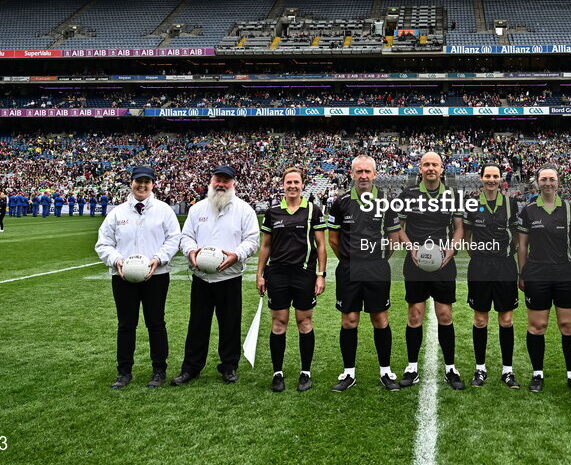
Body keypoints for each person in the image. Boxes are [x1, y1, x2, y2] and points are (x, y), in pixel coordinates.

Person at [172, 165, 260, 386]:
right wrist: (191, 252)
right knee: (197, 324)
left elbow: (252, 240)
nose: (221, 184)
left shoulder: (244, 210)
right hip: (201, 278)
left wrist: (236, 255)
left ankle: (229, 367)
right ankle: (191, 368)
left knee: (230, 325)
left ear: (233, 184)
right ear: (211, 181)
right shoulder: (197, 209)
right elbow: (186, 237)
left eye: (226, 181)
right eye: (217, 180)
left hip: (229, 277)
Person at [95, 166, 181, 389]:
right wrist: (116, 260)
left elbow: (173, 239)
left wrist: (158, 259)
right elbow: (103, 243)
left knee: (156, 323)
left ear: (153, 184)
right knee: (126, 324)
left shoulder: (164, 210)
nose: (142, 186)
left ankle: (159, 371)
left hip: (157, 275)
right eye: (138, 181)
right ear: (131, 183)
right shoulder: (117, 212)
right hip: (123, 277)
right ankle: (124, 372)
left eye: (147, 182)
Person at [325, 155, 403, 391]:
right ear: (351, 174)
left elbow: (393, 239)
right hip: (349, 268)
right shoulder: (341, 202)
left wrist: (377, 261)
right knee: (349, 321)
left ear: (375, 174)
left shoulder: (387, 201)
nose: (363, 176)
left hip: (376, 268)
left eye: (367, 172)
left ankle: (386, 372)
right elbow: (334, 240)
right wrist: (349, 261)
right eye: (359, 172)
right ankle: (348, 373)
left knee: (380, 319)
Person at [517, 163, 571, 394]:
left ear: (558, 182)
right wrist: (522, 272)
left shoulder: (570, 209)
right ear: (537, 182)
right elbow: (522, 245)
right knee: (538, 326)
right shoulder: (528, 210)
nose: (548, 183)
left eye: (552, 179)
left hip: (566, 274)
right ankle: (537, 374)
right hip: (537, 274)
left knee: (568, 326)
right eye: (543, 179)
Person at [397, 151, 465, 390]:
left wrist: (452, 250)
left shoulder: (453, 195)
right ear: (420, 168)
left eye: (434, 164)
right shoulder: (408, 194)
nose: (430, 168)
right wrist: (411, 249)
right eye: (426, 164)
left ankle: (450, 368)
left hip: (443, 264)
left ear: (442, 168)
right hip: (416, 263)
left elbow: (459, 229)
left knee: (445, 316)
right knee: (414, 316)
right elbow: (399, 227)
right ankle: (412, 367)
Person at [255, 168, 328, 392]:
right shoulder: (273, 211)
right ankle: (278, 373)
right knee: (279, 323)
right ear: (283, 185)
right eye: (289, 182)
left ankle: (305, 373)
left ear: (302, 185)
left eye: (296, 182)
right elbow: (265, 245)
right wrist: (259, 274)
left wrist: (321, 274)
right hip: (277, 274)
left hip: (304, 274)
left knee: (304, 323)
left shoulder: (312, 210)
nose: (292, 186)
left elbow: (321, 245)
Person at [461, 163, 521, 388]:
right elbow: (466, 235)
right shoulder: (473, 204)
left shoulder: (511, 203)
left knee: (506, 321)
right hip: (480, 267)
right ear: (481, 178)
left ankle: (508, 370)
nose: (491, 180)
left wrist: (508, 252)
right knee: (480, 319)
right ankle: (480, 369)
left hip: (505, 266)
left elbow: (517, 235)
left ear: (500, 179)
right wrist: (477, 254)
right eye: (488, 176)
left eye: (495, 176)